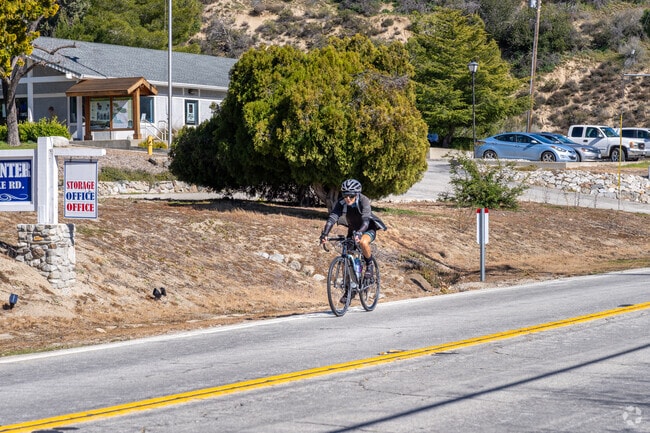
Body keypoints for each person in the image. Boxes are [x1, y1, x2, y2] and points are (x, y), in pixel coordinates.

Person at [319, 179, 387, 280]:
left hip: (367, 228)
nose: (348, 198)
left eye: (351, 196)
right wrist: (325, 234)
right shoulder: (341, 202)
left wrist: (360, 233)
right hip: (353, 230)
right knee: (346, 260)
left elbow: (366, 220)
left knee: (363, 242)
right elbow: (332, 218)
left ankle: (369, 265)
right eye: (345, 195)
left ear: (356, 194)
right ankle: (349, 290)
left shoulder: (364, 200)